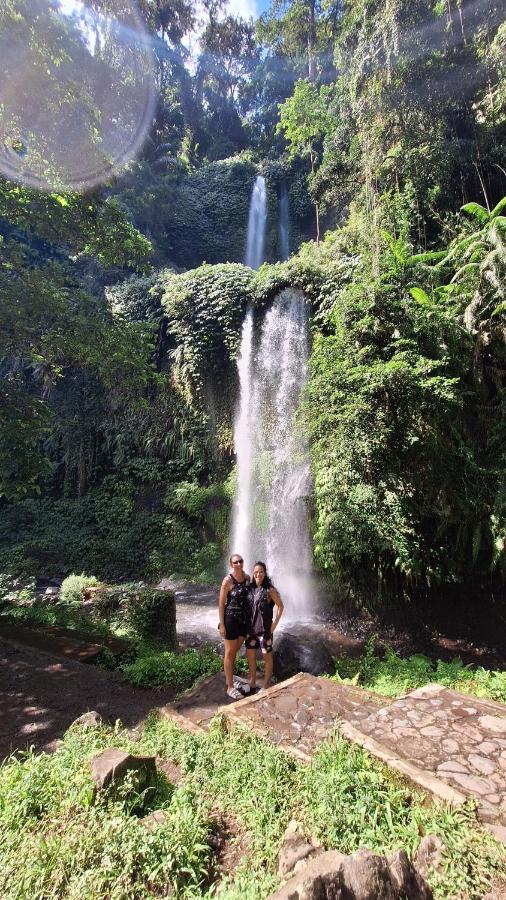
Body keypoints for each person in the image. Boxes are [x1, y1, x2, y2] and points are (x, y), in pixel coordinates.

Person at [245, 561, 284, 693]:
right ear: (253, 573)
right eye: (255, 572)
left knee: (266, 657)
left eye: (261, 571)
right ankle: (252, 682)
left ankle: (266, 686)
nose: (258, 574)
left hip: (265, 631)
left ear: (265, 573)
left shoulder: (270, 590)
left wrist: (274, 626)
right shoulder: (250, 589)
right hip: (251, 630)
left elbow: (280, 606)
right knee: (250, 656)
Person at [218, 553, 250, 700]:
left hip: (243, 621)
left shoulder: (248, 578)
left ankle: (228, 678)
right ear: (231, 565)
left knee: (234, 651)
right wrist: (222, 625)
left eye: (240, 561)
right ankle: (230, 686)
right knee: (230, 652)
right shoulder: (227, 581)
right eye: (235, 562)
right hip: (230, 619)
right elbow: (221, 604)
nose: (238, 564)